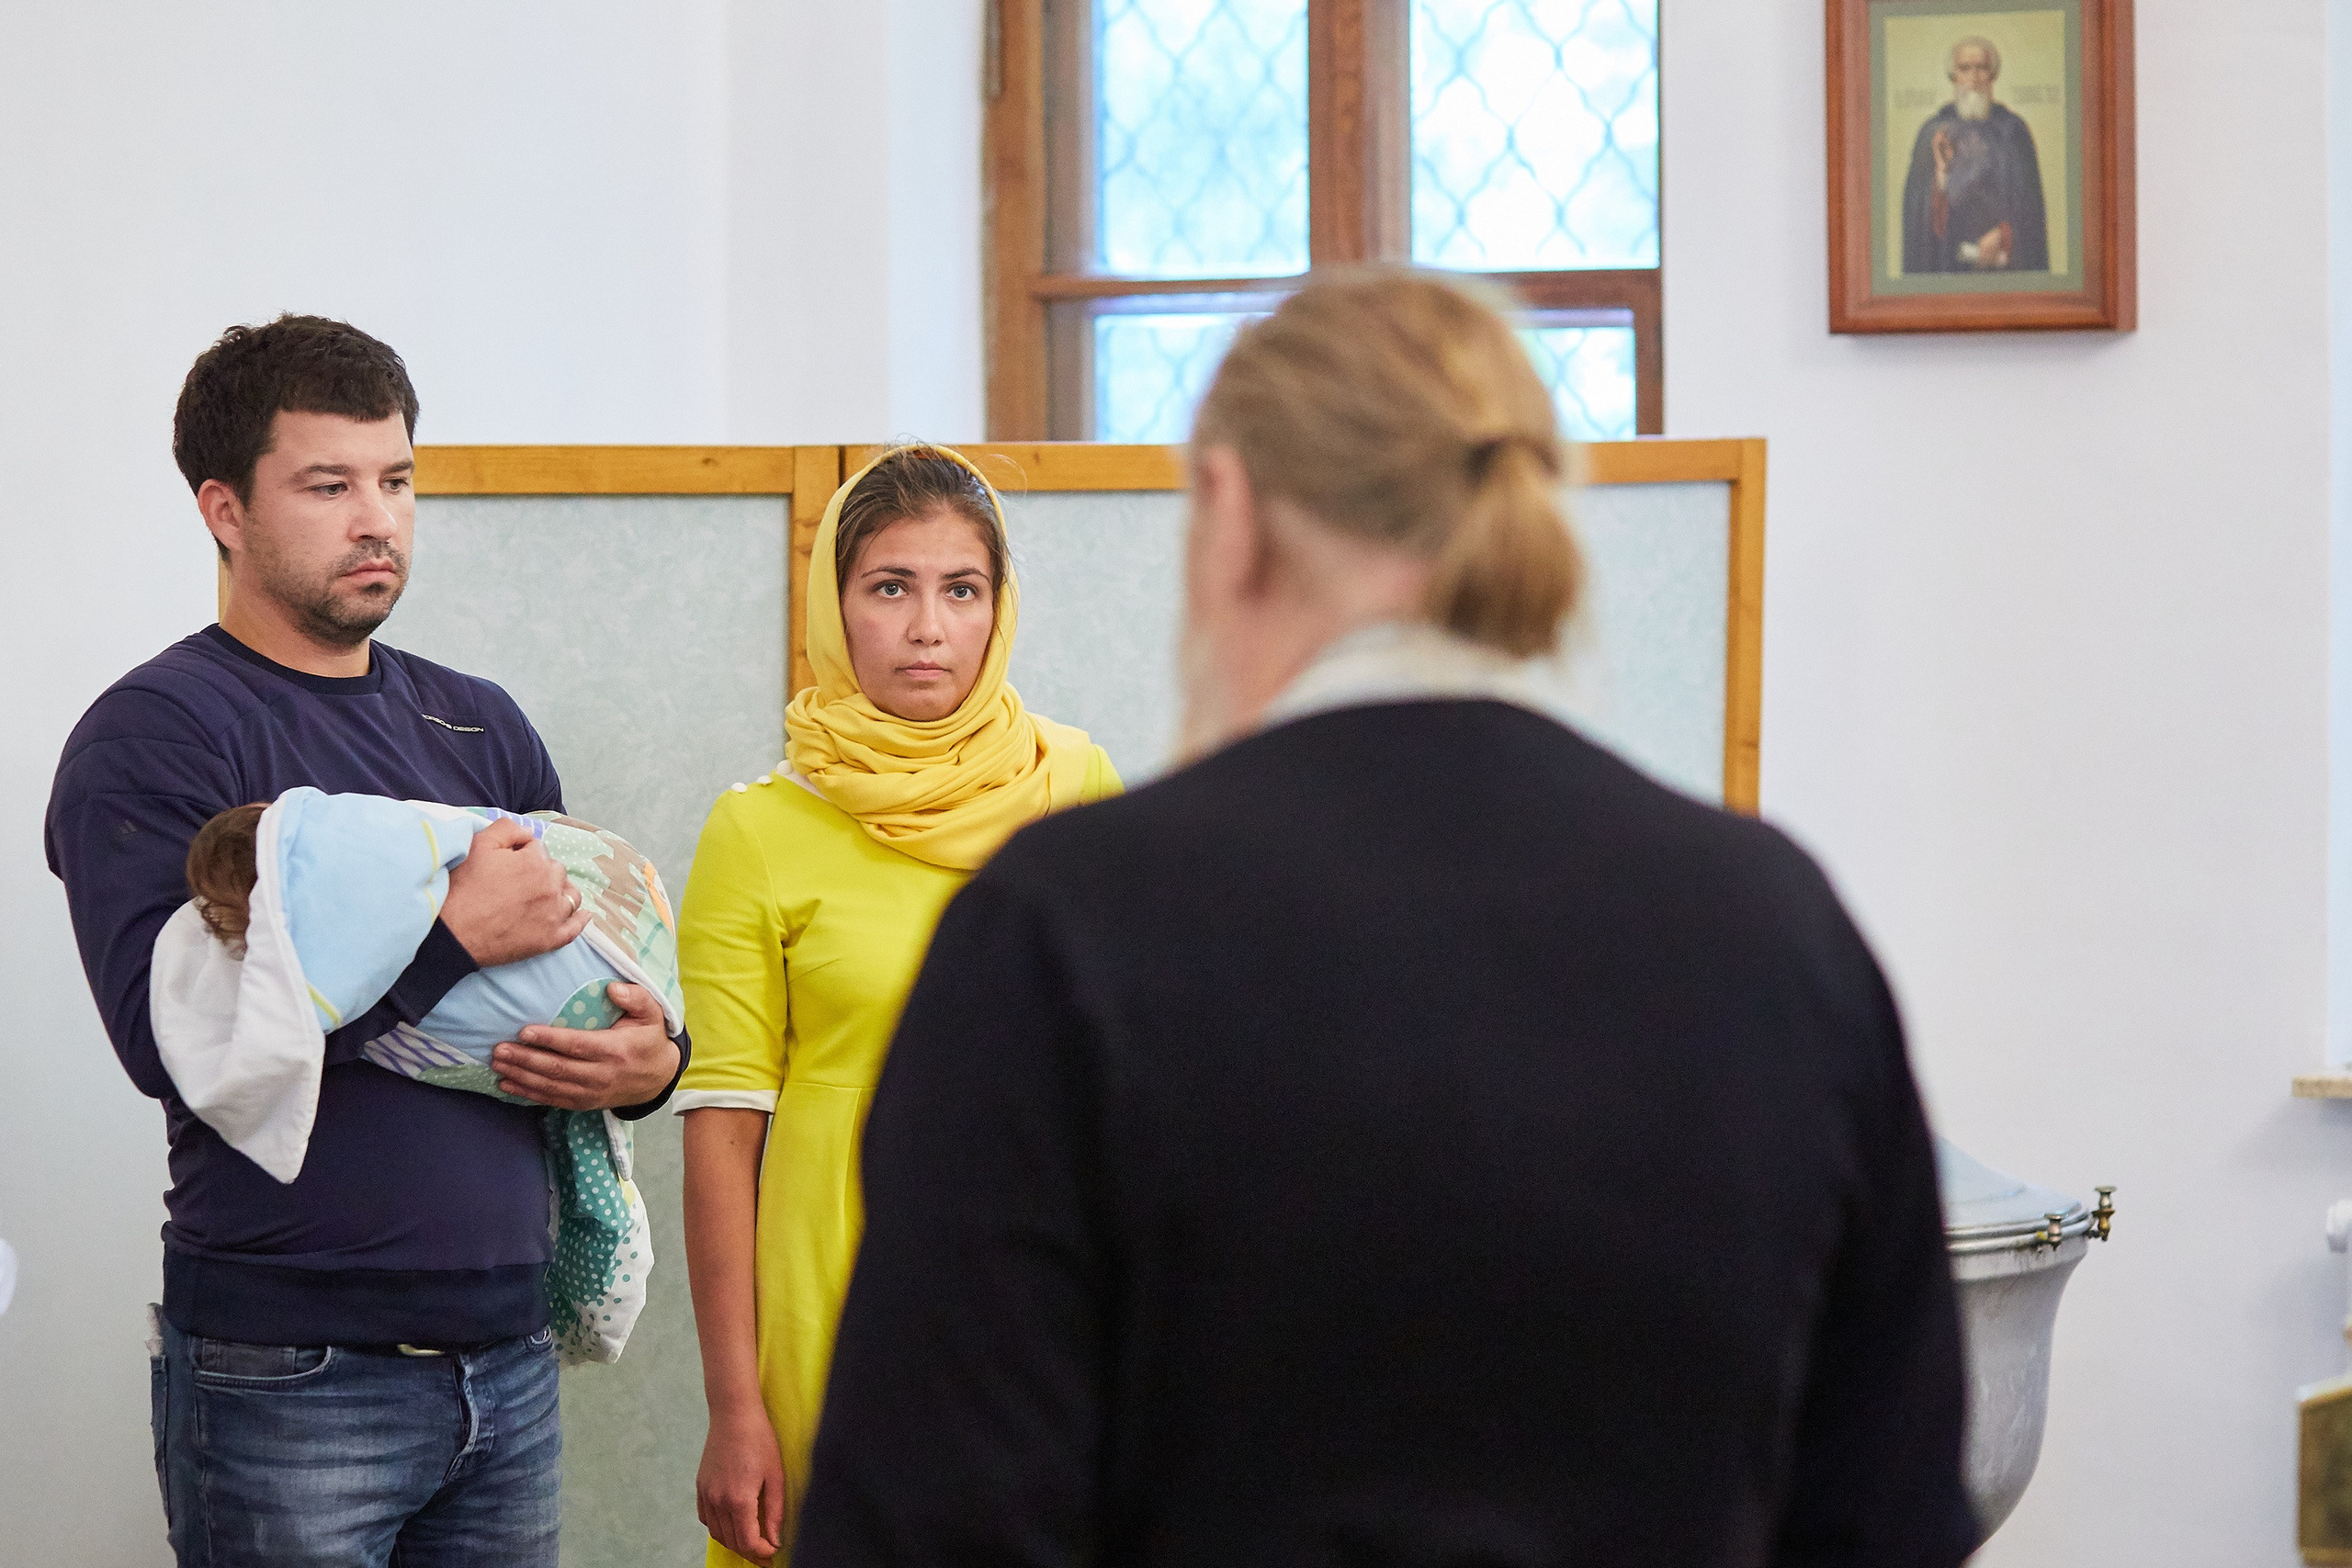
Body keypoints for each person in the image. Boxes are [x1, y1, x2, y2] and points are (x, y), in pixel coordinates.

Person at [793, 272, 1977, 1567]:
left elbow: (927, 1519)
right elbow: (1892, 1510)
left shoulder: (1062, 932)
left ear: (1231, 515)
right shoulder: (1777, 930)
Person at [45, 315, 687, 1568]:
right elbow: (172, 1035)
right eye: (328, 484)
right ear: (224, 508)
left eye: (396, 479)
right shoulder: (158, 734)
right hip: (289, 1369)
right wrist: (447, 935)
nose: (377, 518)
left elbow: (589, 950)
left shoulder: (482, 726)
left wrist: (653, 1063)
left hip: (509, 1363)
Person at [674, 444, 1122, 1566]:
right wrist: (736, 1409)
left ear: (997, 610)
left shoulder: (1077, 788)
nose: (927, 628)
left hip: (1044, 1302)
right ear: (836, 606)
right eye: (890, 587)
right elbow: (725, 1133)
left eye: (960, 590)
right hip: (833, 1289)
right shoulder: (757, 829)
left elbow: (1133, 1098)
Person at [1901, 36, 2050, 275]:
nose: (1973, 78)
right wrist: (1940, 175)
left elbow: (2031, 208)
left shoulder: (2013, 131)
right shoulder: (1932, 132)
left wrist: (2004, 235)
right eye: (1965, 68)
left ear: (1992, 76)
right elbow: (1916, 215)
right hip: (1948, 267)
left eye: (1981, 68)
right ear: (1953, 76)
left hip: (2004, 267)